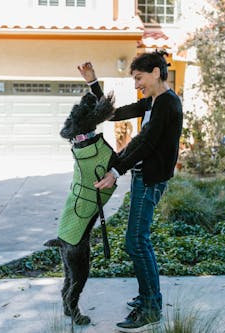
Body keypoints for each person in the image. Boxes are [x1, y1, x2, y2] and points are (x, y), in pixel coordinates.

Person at [77, 50, 183, 332]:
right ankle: (148, 297)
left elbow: (146, 144)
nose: (137, 85)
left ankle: (151, 307)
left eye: (139, 78)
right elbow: (114, 114)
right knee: (138, 240)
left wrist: (115, 171)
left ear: (156, 73)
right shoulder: (152, 101)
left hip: (150, 180)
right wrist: (93, 84)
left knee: (136, 242)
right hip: (142, 176)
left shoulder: (168, 104)